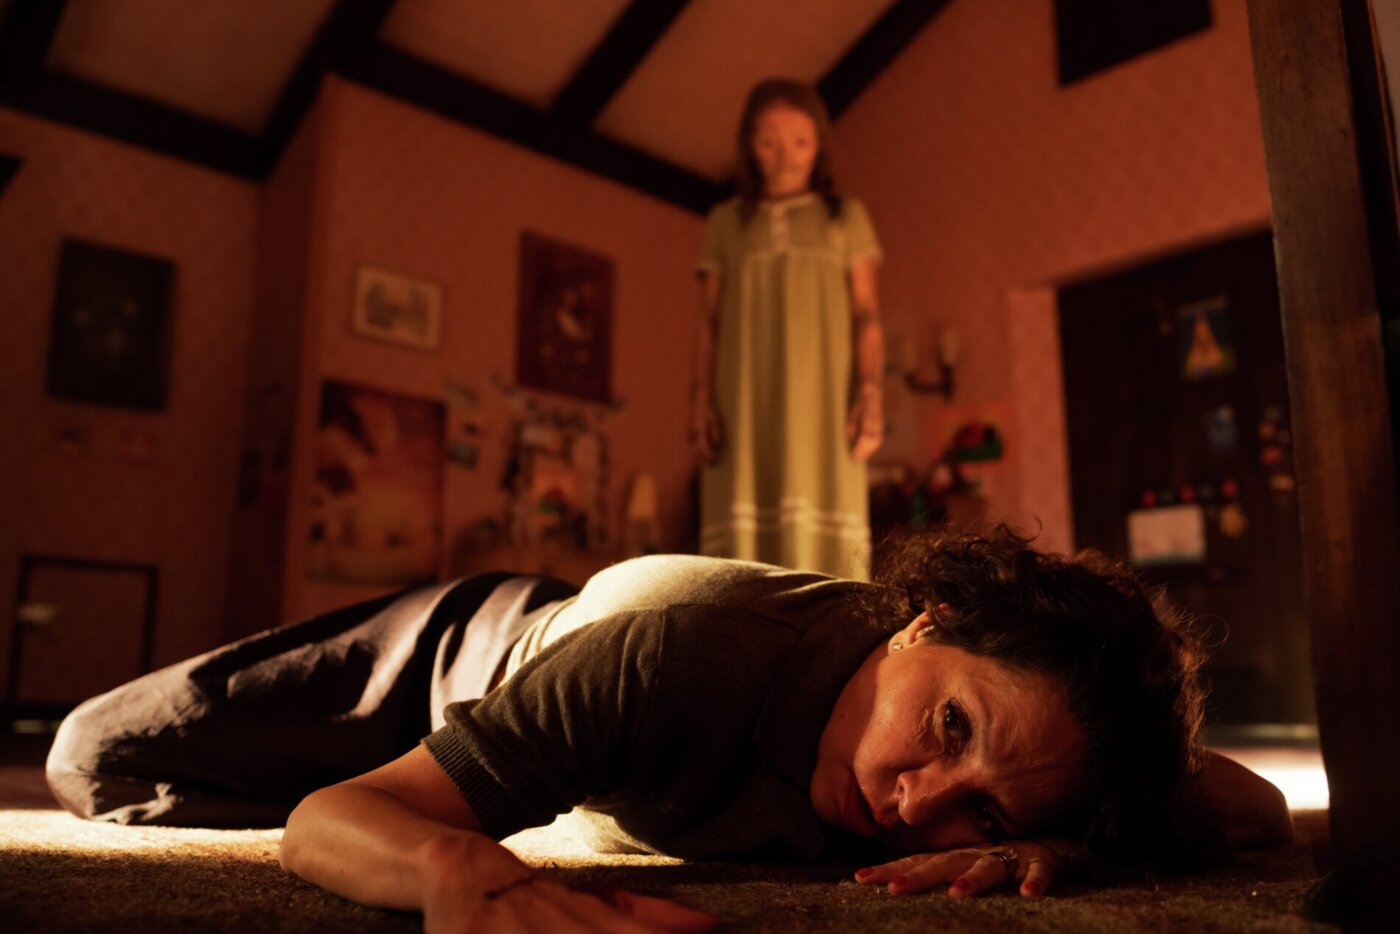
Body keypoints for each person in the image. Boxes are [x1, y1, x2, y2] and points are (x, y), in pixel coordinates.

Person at [47, 526, 1292, 931]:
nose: (918, 800)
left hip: (574, 721)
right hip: (462, 654)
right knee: (99, 761)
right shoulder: (670, 663)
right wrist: (456, 866)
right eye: (946, 725)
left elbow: (1258, 804)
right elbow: (327, 822)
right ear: (923, 624)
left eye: (982, 805)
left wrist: (1056, 843)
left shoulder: (1046, 748)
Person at [692, 78, 885, 581]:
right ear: (749, 146)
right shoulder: (725, 223)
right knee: (739, 564)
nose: (785, 157)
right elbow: (708, 319)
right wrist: (700, 398)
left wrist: (870, 394)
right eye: (769, 142)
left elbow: (867, 314)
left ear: (819, 145)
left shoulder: (846, 219)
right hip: (743, 404)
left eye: (800, 142)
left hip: (826, 406)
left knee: (830, 560)